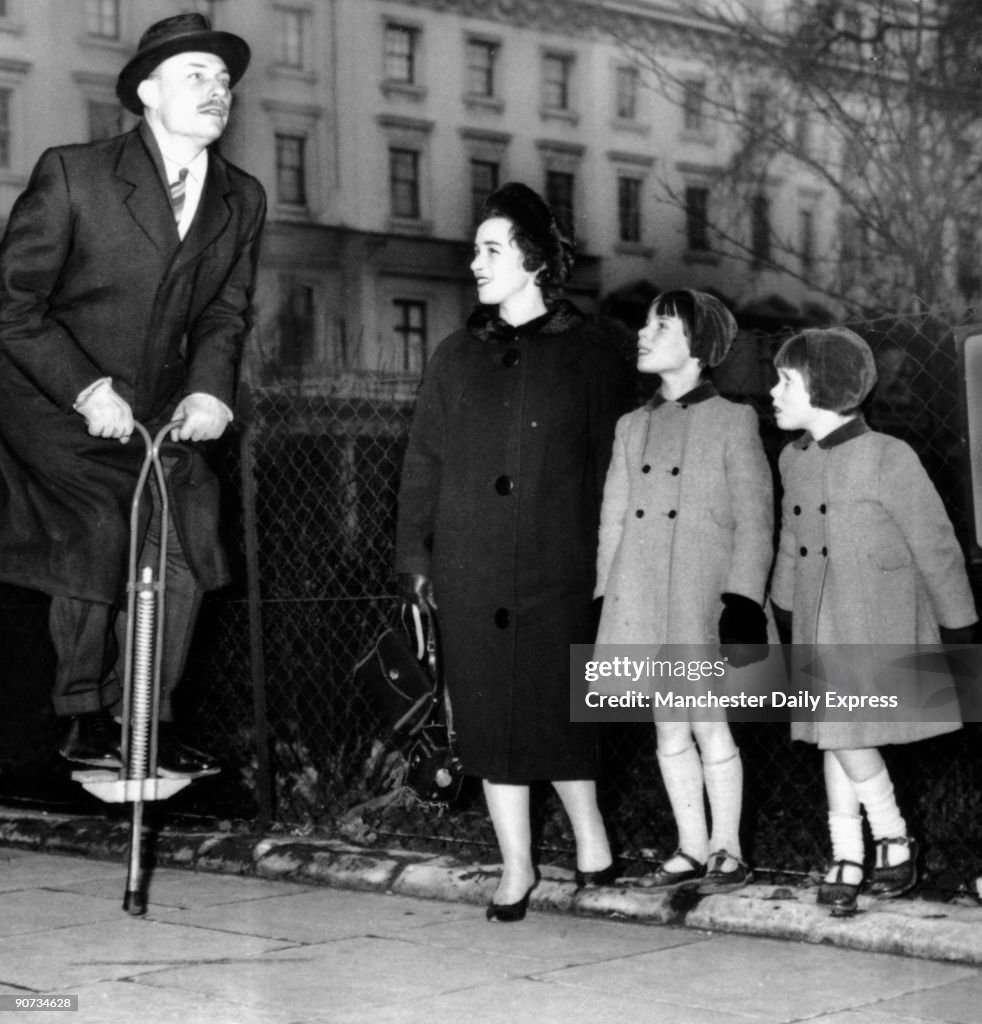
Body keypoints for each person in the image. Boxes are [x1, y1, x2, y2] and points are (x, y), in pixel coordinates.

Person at [0, 14, 266, 777]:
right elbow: (14, 305)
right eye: (196, 77)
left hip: (153, 402)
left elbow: (225, 312)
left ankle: (145, 717)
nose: (217, 92)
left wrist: (211, 391)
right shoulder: (75, 174)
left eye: (223, 81)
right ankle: (80, 710)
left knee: (186, 524)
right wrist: (86, 390)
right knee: (101, 516)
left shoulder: (240, 198)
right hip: (46, 393)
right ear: (147, 93)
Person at [394, 182, 631, 921]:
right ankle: (516, 868)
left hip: (560, 568)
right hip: (470, 568)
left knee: (560, 716)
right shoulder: (456, 355)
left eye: (490, 250)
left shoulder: (593, 354)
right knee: (490, 723)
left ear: (532, 261)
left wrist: (608, 569)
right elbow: (422, 461)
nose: (474, 263)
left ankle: (592, 842)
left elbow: (613, 469)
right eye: (474, 250)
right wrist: (415, 560)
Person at [769, 327, 977, 917]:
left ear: (827, 388)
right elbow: (791, 537)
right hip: (816, 617)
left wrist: (958, 626)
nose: (773, 391)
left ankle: (884, 836)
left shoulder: (889, 456)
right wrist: (782, 606)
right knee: (834, 735)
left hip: (871, 617)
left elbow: (934, 543)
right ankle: (855, 853)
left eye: (786, 380)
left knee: (842, 734)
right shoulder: (794, 459)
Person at [594, 290, 773, 894]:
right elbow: (613, 520)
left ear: (698, 347)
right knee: (667, 726)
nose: (643, 333)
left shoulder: (734, 420)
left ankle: (729, 847)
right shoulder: (631, 425)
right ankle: (691, 847)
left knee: (709, 721)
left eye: (660, 324)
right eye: (644, 322)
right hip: (642, 594)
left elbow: (755, 520)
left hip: (703, 597)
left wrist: (744, 599)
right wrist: (605, 598)